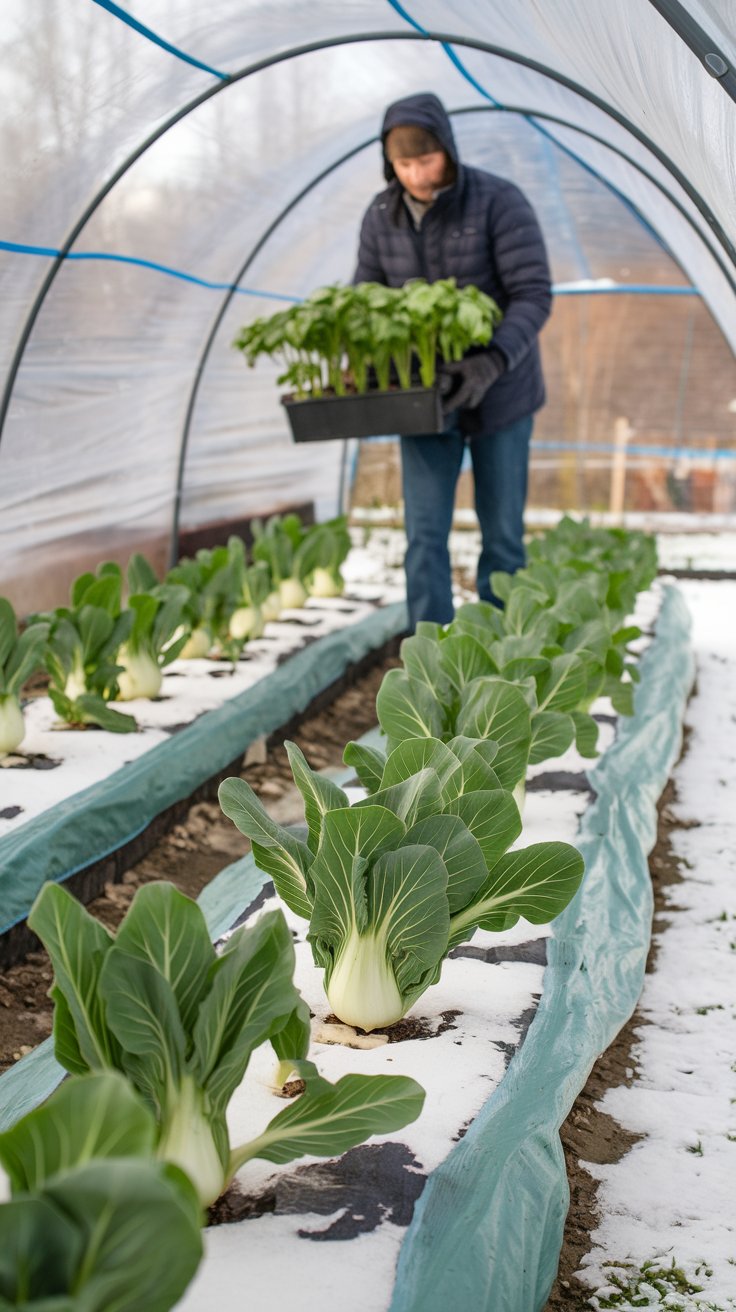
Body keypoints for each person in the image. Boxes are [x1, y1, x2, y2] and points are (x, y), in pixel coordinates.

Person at [353, 92, 552, 628]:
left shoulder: (497, 202)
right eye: (404, 163)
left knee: (503, 538)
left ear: (448, 150)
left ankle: (498, 661)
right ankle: (430, 664)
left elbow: (533, 294)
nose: (416, 174)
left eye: (426, 160)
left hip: (503, 394)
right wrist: (364, 367)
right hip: (425, 399)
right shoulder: (380, 217)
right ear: (389, 162)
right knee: (423, 536)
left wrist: (490, 362)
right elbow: (365, 300)